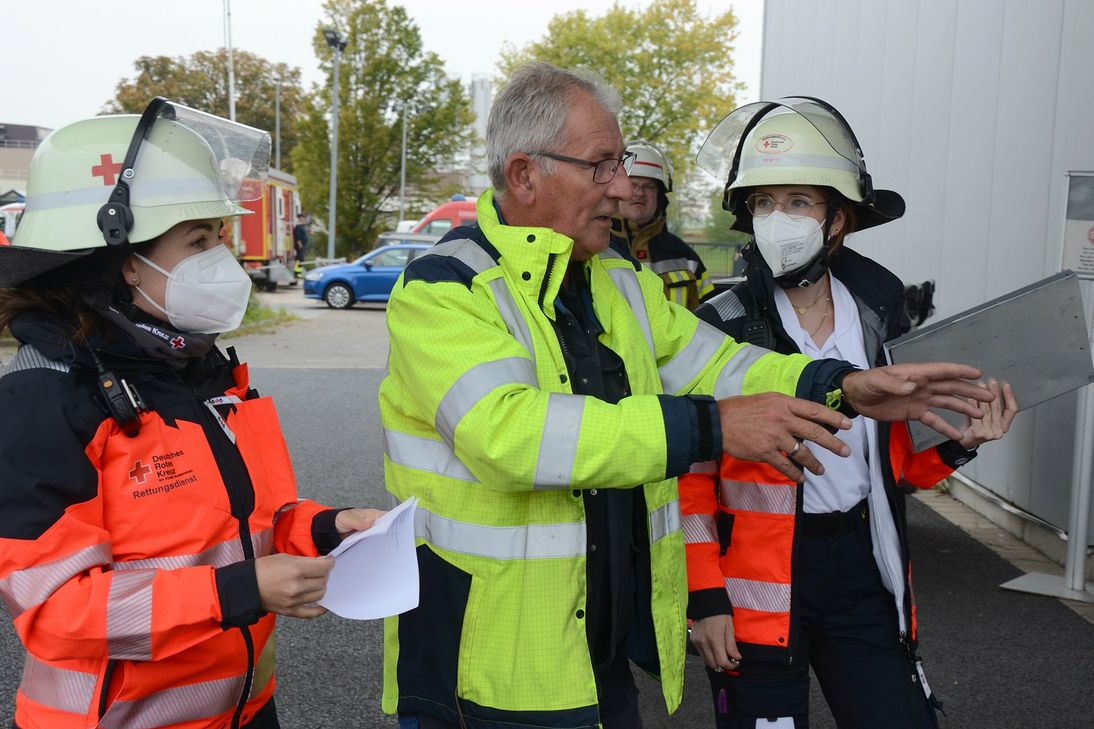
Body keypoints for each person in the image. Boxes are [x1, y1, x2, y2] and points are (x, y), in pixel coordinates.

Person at [378, 63, 992, 729]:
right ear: (526, 175)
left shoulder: (616, 279)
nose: (624, 188)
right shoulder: (445, 287)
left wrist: (841, 385)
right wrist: (715, 430)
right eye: (602, 165)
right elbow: (513, 436)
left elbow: (720, 365)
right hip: (485, 666)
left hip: (591, 651)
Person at [0, 99, 383, 729]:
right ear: (120, 260)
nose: (221, 261)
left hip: (245, 712)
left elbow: (243, 527)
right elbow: (56, 612)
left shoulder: (197, 373)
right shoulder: (43, 400)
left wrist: (327, 528)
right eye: (199, 240)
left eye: (221, 238)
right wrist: (243, 591)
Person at [682, 97, 1019, 729]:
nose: (777, 220)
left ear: (839, 220)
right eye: (762, 203)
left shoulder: (877, 308)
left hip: (862, 571)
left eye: (799, 202)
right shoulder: (719, 326)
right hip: (757, 587)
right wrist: (703, 598)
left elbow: (891, 473)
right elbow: (688, 476)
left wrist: (958, 444)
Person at [611, 140, 714, 309]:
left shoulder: (686, 258)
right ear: (616, 189)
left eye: (649, 186)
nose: (640, 193)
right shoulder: (594, 249)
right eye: (633, 184)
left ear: (660, 195)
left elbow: (711, 319)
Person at [292, 213, 308, 277]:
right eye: (302, 218)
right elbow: (298, 236)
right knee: (300, 259)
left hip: (303, 245)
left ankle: (298, 272)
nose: (303, 219)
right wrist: (299, 244)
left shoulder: (302, 226)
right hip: (300, 245)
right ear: (299, 218)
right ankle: (297, 272)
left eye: (304, 218)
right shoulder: (298, 227)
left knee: (300, 258)